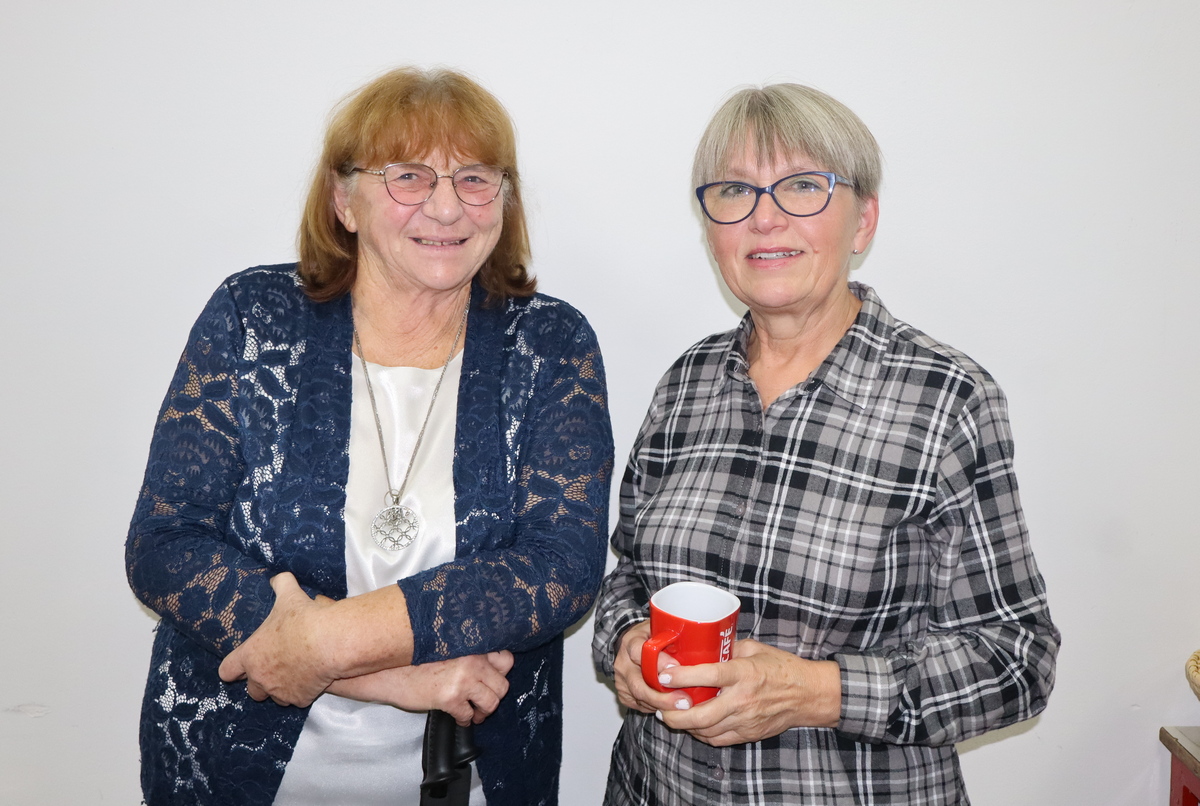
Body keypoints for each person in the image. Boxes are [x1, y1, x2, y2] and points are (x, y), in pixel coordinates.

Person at [126, 66, 613, 806]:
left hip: (471, 775)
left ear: (504, 202)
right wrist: (389, 677)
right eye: (408, 176)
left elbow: (559, 570)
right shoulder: (253, 316)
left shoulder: (550, 343)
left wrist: (324, 644)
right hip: (232, 767)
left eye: (474, 179)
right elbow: (165, 544)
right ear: (343, 200)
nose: (446, 206)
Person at [592, 83, 1059, 804]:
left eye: (803, 186)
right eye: (734, 191)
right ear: (710, 227)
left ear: (863, 220)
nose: (765, 217)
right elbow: (629, 576)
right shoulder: (686, 383)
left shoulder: (948, 401)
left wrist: (817, 691)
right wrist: (626, 643)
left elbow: (1018, 662)